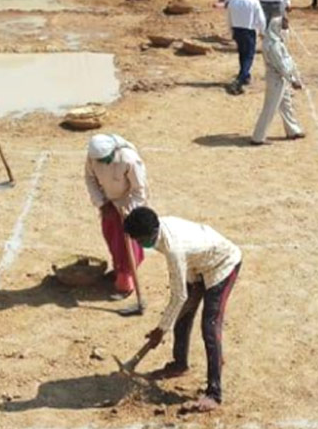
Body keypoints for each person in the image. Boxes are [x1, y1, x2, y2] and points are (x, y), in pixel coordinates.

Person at [125, 206, 242, 414]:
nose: (138, 244)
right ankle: (179, 365)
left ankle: (214, 393)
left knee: (210, 326)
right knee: (183, 314)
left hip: (222, 264)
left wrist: (161, 330)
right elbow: (183, 291)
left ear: (151, 233)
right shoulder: (157, 228)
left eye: (139, 240)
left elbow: (179, 296)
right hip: (197, 267)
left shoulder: (172, 247)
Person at [84, 134, 149, 302]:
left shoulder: (129, 159)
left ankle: (126, 283)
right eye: (100, 160)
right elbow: (90, 179)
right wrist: (103, 204)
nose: (103, 163)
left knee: (125, 244)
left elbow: (139, 190)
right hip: (108, 203)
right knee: (112, 239)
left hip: (129, 204)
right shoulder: (93, 158)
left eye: (106, 159)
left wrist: (128, 211)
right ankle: (120, 269)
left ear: (114, 152)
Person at [251, 17, 305, 145]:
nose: (286, 30)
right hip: (277, 78)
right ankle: (258, 137)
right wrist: (292, 80)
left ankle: (293, 130)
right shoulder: (273, 44)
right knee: (270, 107)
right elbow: (280, 65)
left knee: (286, 104)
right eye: (284, 27)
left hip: (280, 78)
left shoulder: (274, 40)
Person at [226, 0, 266, 94]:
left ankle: (245, 75)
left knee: (242, 53)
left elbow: (228, 18)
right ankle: (240, 79)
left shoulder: (233, 1)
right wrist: (262, 31)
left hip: (237, 30)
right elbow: (261, 19)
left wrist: (230, 30)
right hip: (249, 31)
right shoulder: (254, 2)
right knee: (249, 55)